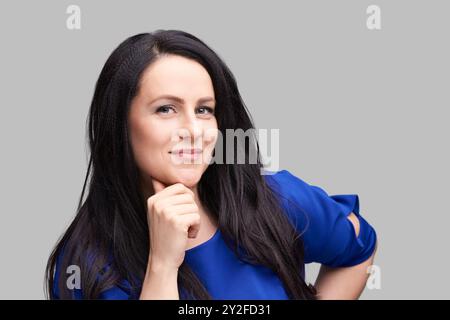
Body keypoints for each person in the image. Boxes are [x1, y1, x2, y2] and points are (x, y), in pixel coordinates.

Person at [46, 30, 377, 300]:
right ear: (120, 124)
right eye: (166, 109)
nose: (194, 131)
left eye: (204, 110)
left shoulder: (274, 199)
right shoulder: (85, 265)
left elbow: (359, 247)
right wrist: (161, 265)